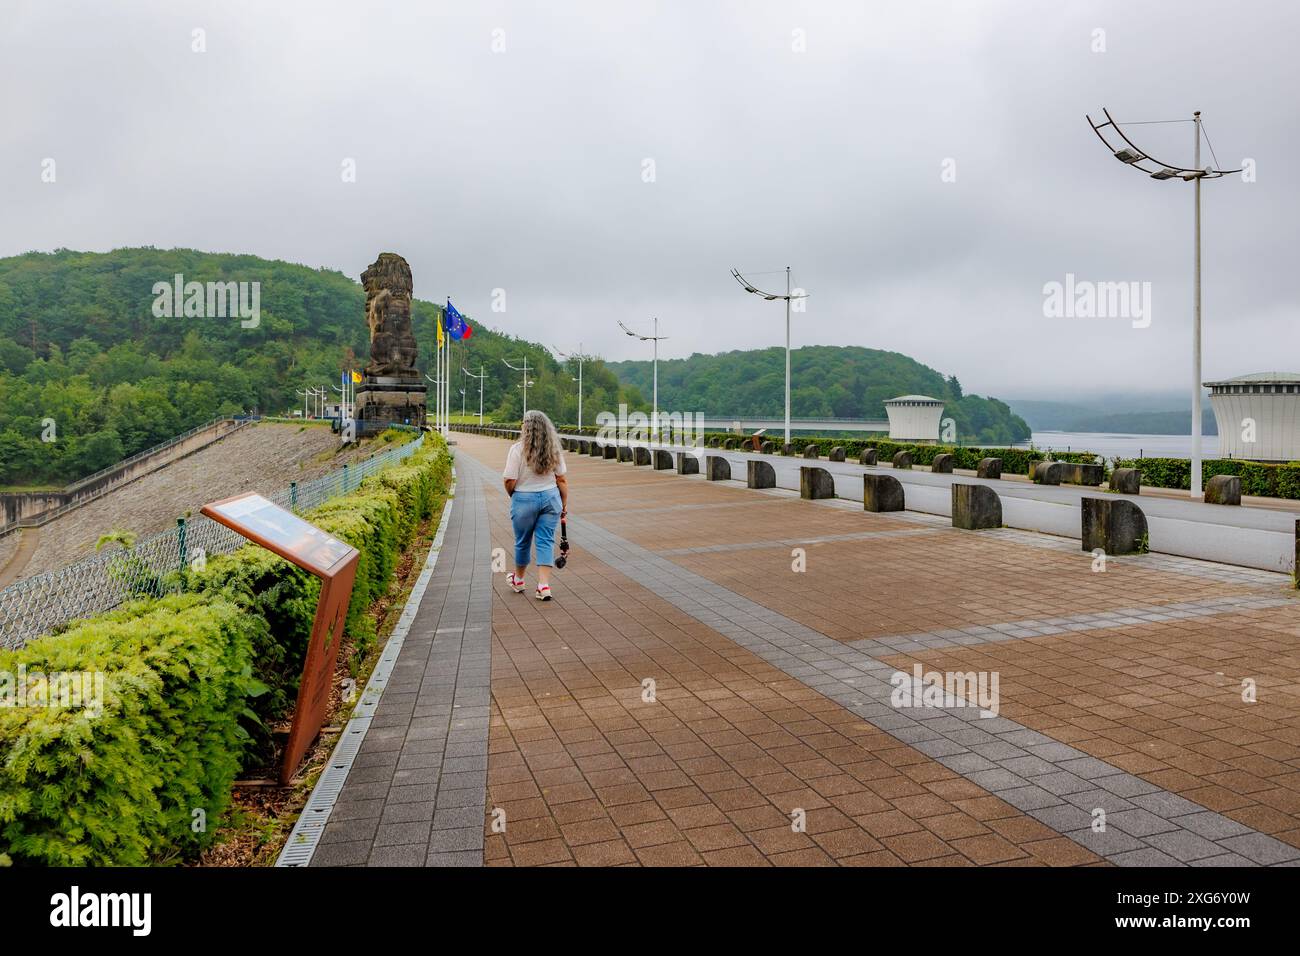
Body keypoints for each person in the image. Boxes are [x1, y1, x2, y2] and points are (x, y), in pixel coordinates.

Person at [502, 409, 569, 601]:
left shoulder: (517, 450)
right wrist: (563, 505)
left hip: (523, 499)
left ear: (527, 428)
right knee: (546, 541)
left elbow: (509, 480)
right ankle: (543, 586)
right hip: (550, 498)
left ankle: (519, 580)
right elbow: (561, 479)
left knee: (522, 541)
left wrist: (514, 496)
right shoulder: (553, 448)